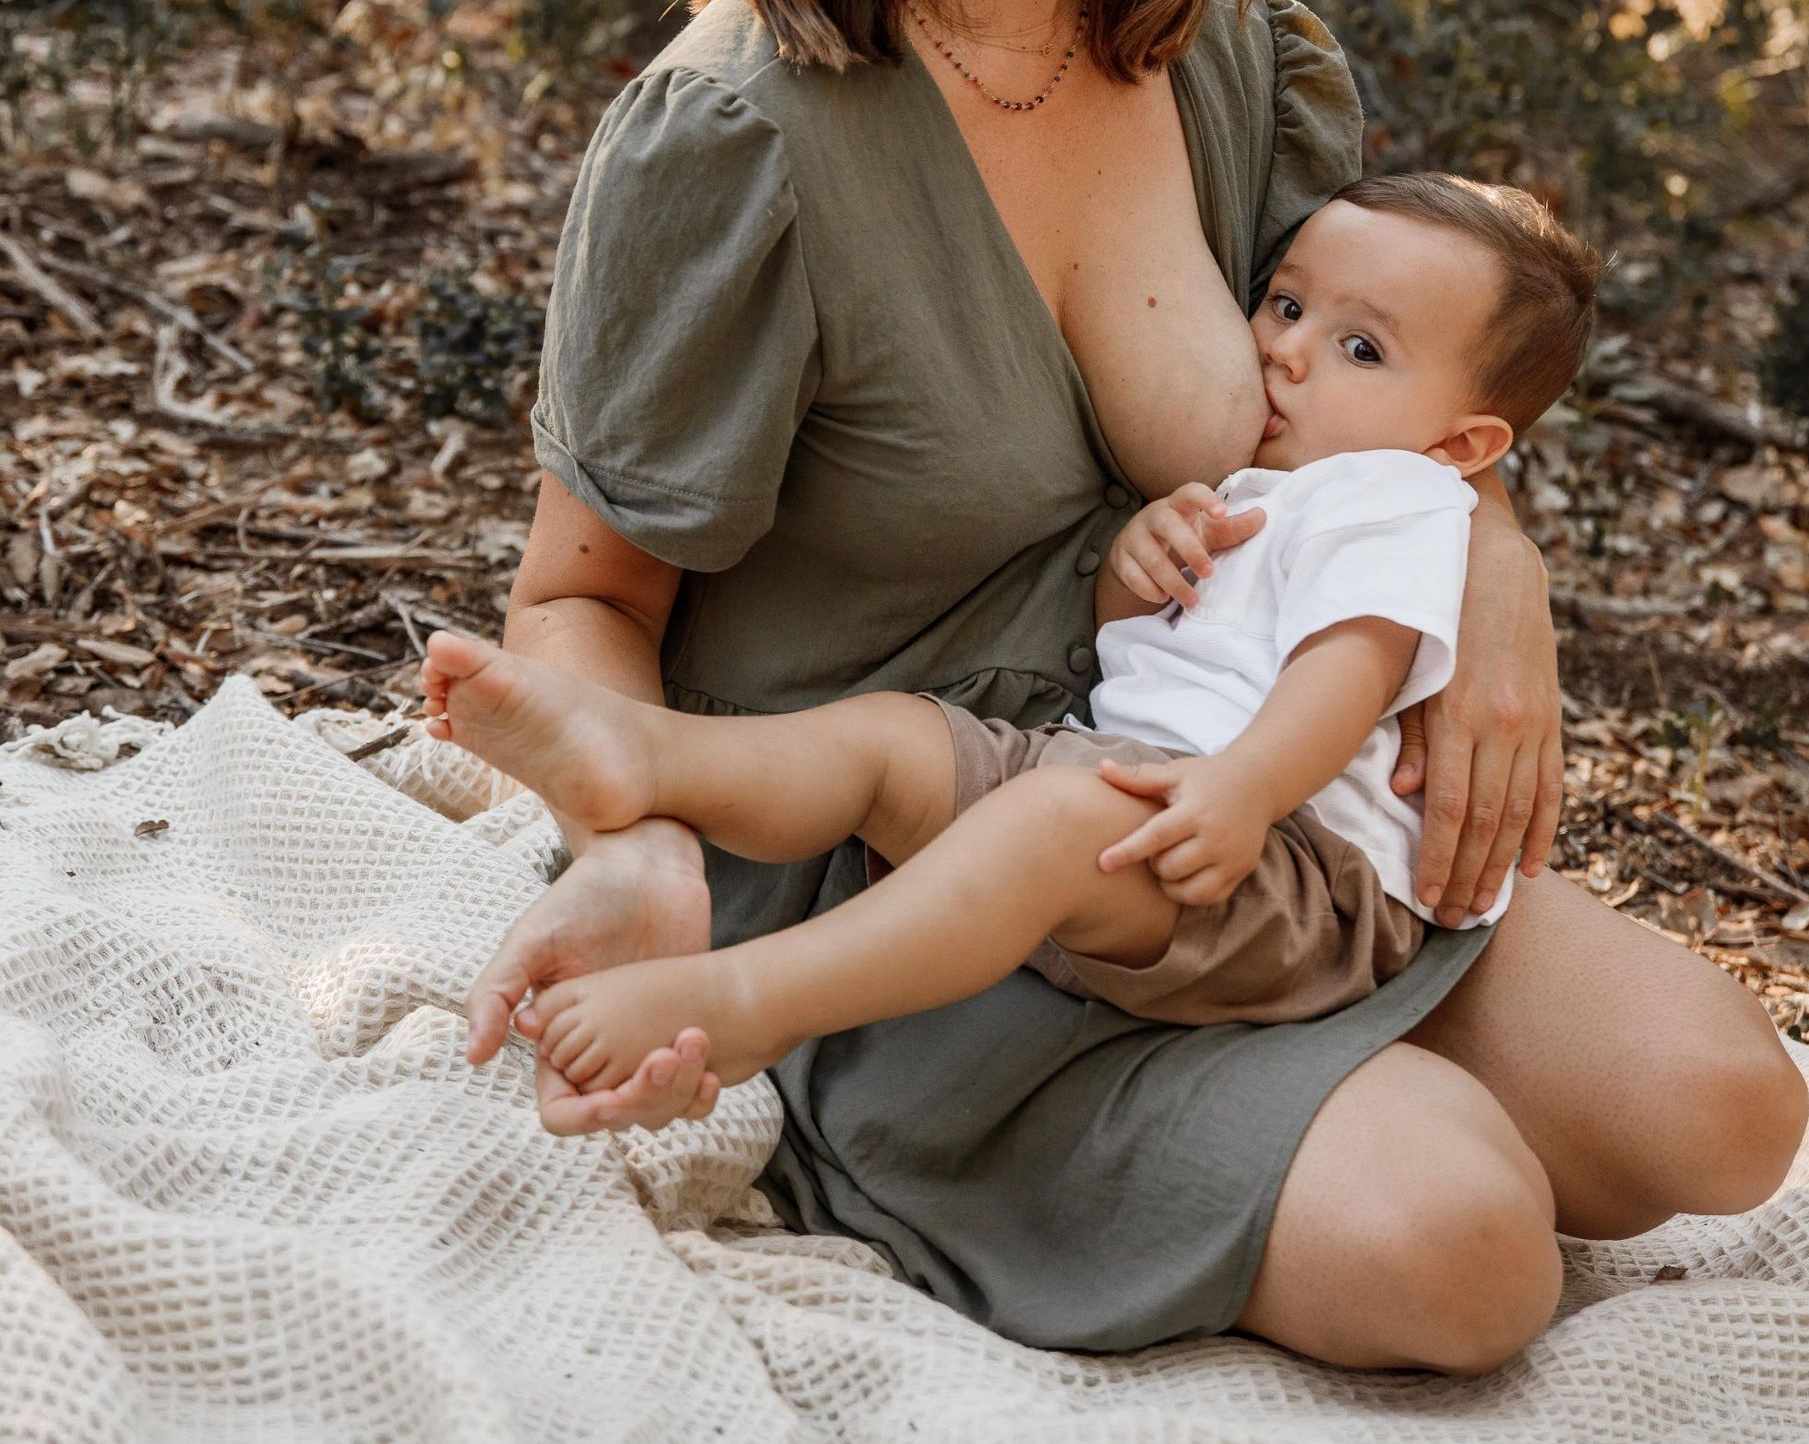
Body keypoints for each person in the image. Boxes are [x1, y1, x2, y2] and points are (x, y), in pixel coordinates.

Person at [478, 0, 1806, 1373]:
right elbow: (581, 599)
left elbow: (1390, 392)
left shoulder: (1231, 56)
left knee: (1726, 1110)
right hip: (903, 874)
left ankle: (1294, 1092)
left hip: (1229, 813)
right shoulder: (740, 131)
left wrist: (1497, 564)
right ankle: (1080, 1133)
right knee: (1464, 1252)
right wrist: (642, 854)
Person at [421, 175, 1600, 1091]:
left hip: (1292, 868)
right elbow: (1147, 644)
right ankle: (644, 756)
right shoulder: (1269, 488)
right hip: (1134, 786)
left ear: (1463, 447)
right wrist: (1138, 567)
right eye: (1287, 305)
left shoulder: (1397, 498)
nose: (1284, 347)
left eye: (1360, 348)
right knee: (892, 740)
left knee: (1044, 824)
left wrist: (1245, 790)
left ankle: (745, 1006)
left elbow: (1349, 669)